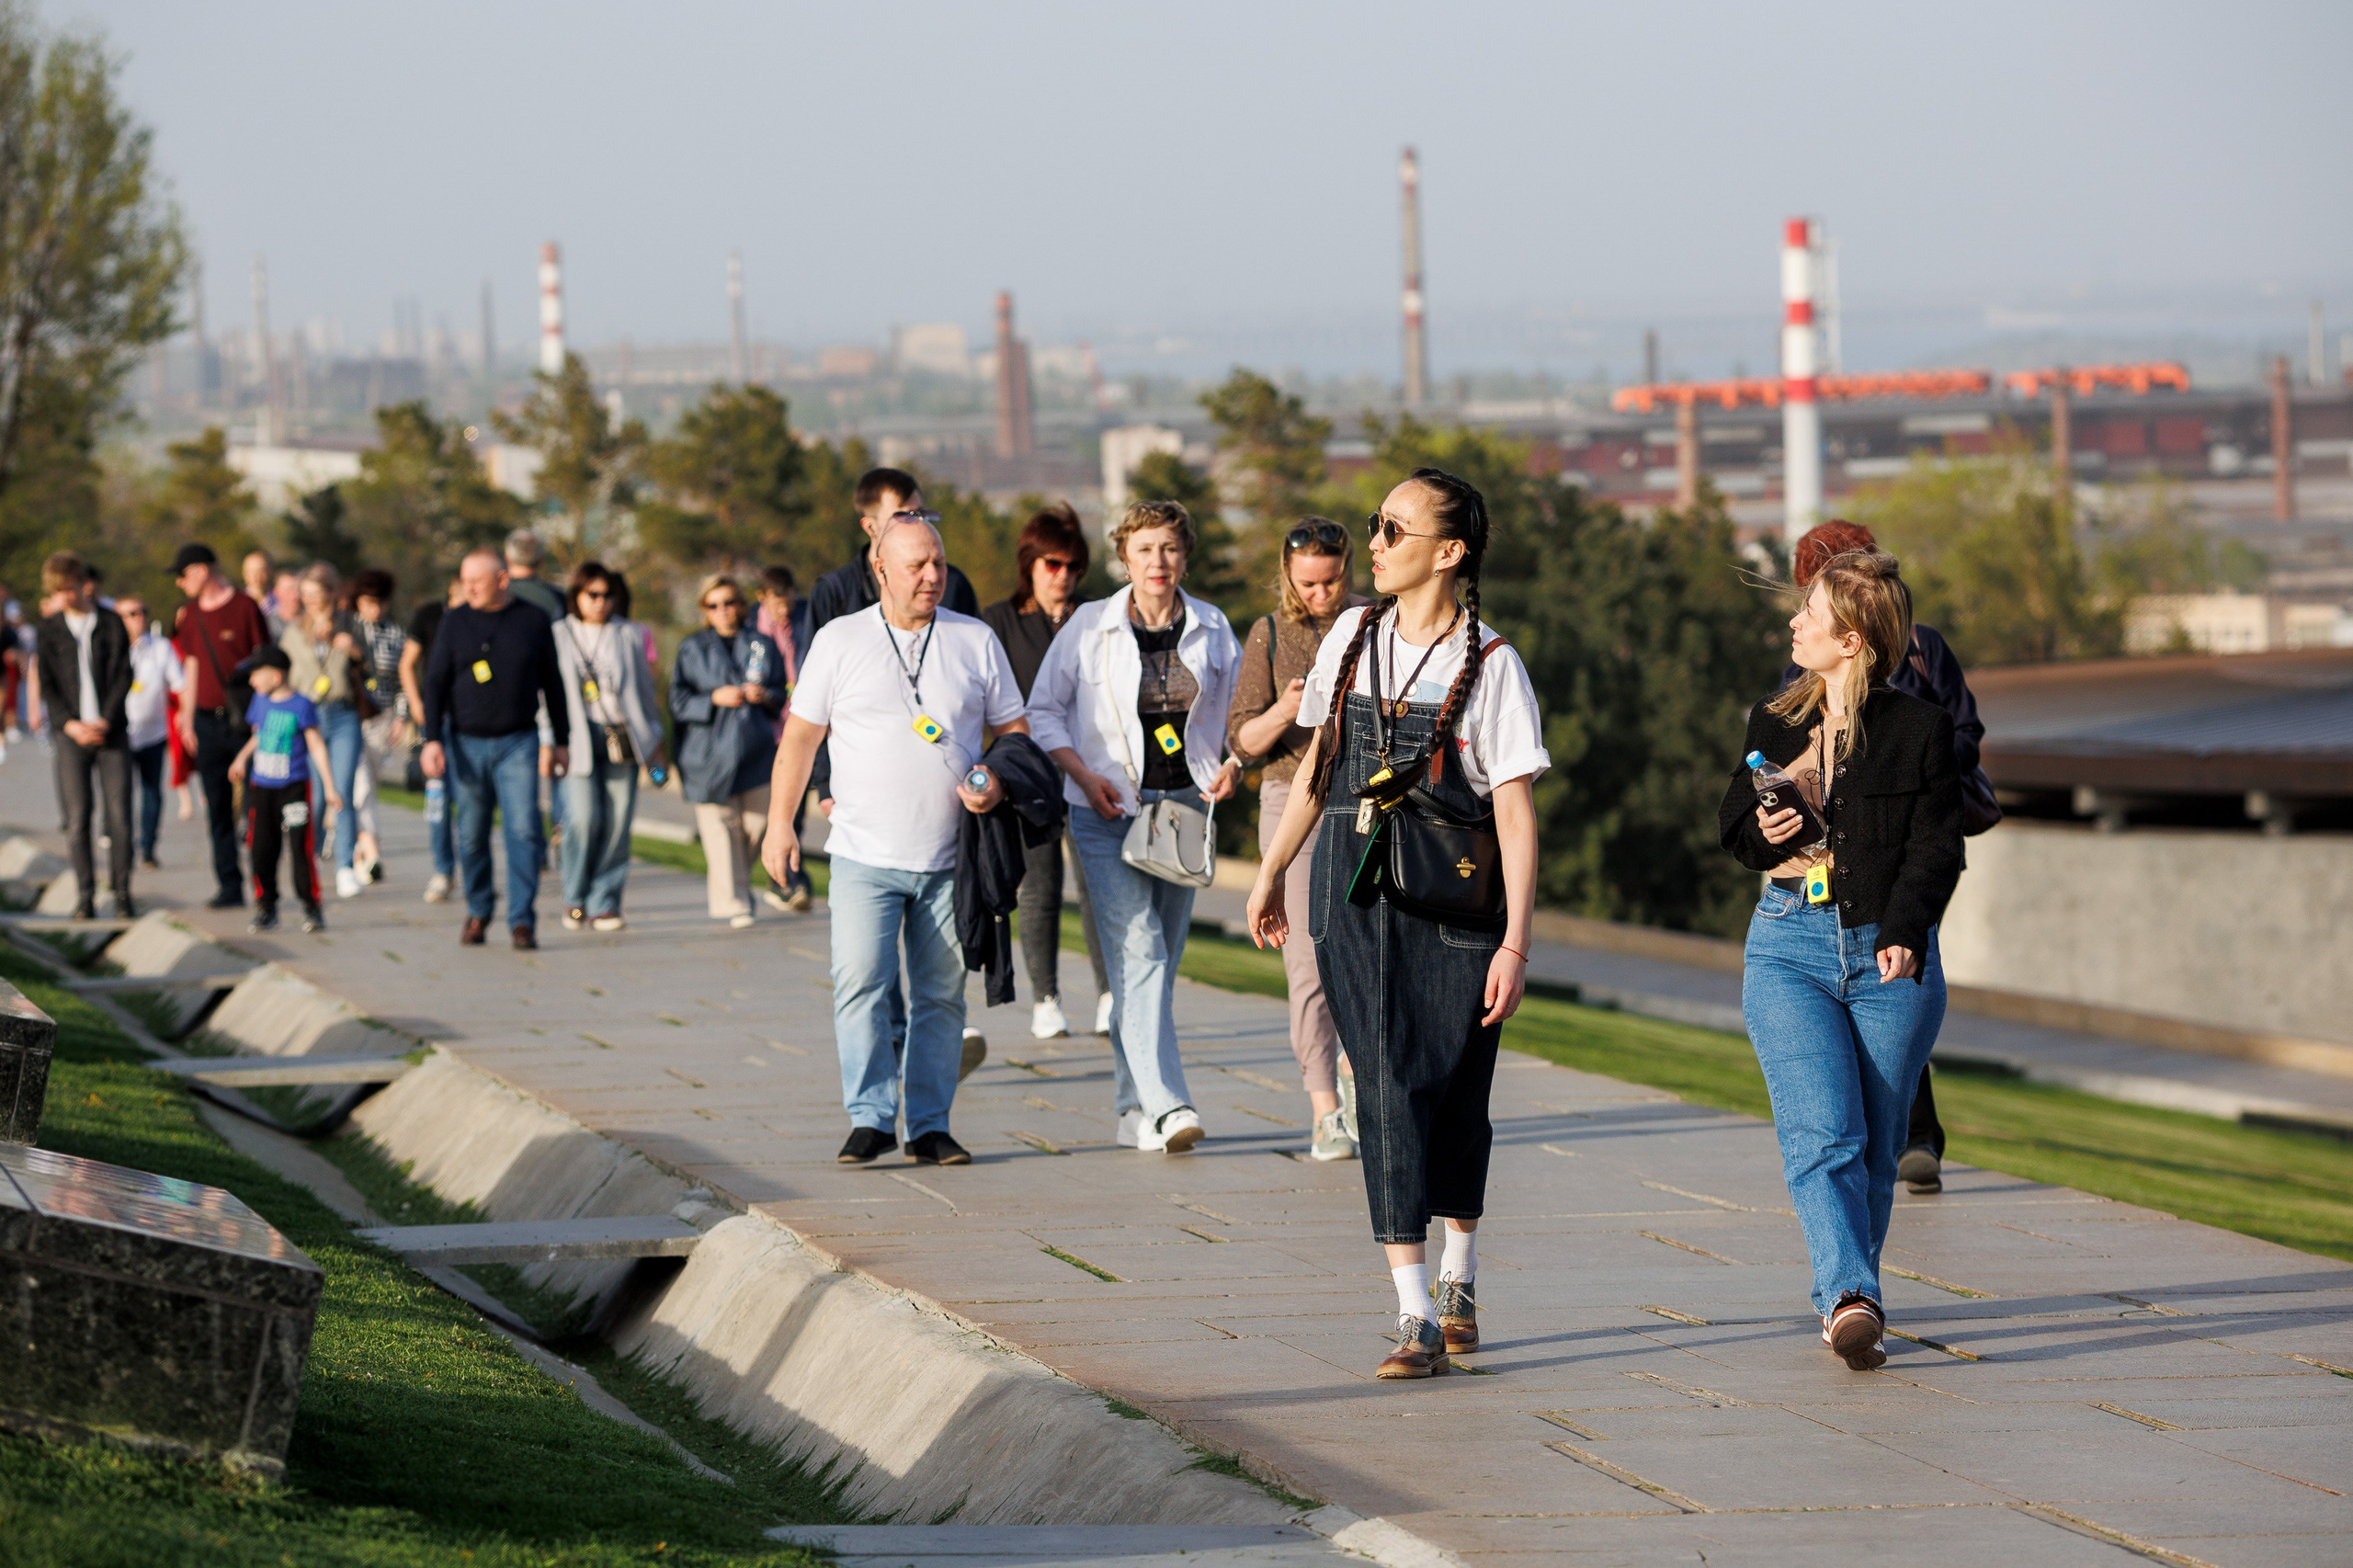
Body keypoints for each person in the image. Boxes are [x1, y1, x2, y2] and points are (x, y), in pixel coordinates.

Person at [1246, 470, 1547, 1381]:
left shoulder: (1492, 664)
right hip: (1350, 896)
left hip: (1457, 908)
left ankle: (1458, 1272)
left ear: (1449, 551)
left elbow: (1515, 813)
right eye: (1374, 524)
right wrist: (1271, 870)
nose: (1372, 543)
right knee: (1380, 1085)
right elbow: (1318, 766)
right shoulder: (1351, 635)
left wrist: (1515, 942)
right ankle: (1413, 1312)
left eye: (1392, 529)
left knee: (1454, 1093)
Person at [1720, 548, 1963, 1373]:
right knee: (1823, 1135)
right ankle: (1851, 1298)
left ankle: (1852, 1297)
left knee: (1874, 1150)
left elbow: (1937, 847)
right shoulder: (1774, 720)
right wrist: (1768, 831)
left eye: (1810, 614)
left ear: (1853, 639)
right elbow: (1733, 830)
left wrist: (1905, 928)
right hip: (1788, 945)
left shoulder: (1920, 731)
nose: (1794, 623)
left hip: (1890, 956)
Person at [765, 513, 1025, 1167]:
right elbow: (800, 738)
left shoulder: (974, 639)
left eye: (939, 563)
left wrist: (995, 779)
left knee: (941, 996)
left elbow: (1014, 731)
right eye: (917, 565)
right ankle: (871, 1118)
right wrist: (779, 824)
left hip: (950, 858)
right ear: (880, 568)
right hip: (863, 854)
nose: (933, 576)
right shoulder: (839, 639)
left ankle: (931, 1126)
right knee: (860, 985)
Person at [1779, 519, 1986, 1197]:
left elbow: (1964, 731)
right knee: (1877, 974)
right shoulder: (1804, 667)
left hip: (1917, 843)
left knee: (1897, 966)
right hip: (1837, 856)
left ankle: (1910, 1136)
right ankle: (1895, 1134)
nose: (1799, 613)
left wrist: (1912, 759)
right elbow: (1790, 751)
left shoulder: (1923, 651)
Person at [1029, 499, 1242, 1155]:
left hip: (1183, 808)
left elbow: (1237, 714)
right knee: (1140, 949)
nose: (1158, 561)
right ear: (1124, 557)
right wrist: (1082, 775)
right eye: (1145, 549)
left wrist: (1231, 764)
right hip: (1105, 808)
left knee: (1155, 966)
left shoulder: (1211, 626)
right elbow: (1043, 711)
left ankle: (1131, 1109)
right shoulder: (1090, 626)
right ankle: (1169, 1104)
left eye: (1170, 548)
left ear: (1185, 556)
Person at [1229, 517, 1370, 1162]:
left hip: (1364, 797)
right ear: (1287, 575)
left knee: (1366, 950)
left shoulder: (1373, 620)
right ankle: (1324, 1112)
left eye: (1331, 580)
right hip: (1291, 797)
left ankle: (1358, 1068)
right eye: (1308, 583)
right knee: (1308, 961)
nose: (1320, 594)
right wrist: (1288, 709)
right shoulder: (1268, 632)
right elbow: (1243, 741)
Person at [980, 503, 1114, 1042]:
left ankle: (1108, 995)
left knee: (1097, 887)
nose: (1063, 576)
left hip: (1087, 771)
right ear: (1030, 564)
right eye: (1052, 564)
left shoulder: (1096, 619)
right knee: (1039, 889)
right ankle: (1046, 998)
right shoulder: (1000, 622)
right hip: (1028, 776)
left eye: (1072, 566)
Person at [805, 469, 982, 814]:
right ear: (870, 527)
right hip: (860, 786)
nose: (917, 523)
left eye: (921, 514)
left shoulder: (953, 585)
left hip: (949, 785)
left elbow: (982, 686)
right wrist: (825, 783)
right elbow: (812, 701)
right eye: (904, 515)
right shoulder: (834, 592)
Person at [418, 546, 569, 949]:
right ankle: (479, 909)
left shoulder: (532, 620)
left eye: (477, 582)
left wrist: (562, 741)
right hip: (466, 742)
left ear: (502, 580)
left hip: (518, 741)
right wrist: (432, 740)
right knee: (471, 834)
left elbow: (553, 683)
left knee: (524, 830)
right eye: (464, 581)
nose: (468, 588)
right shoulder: (455, 622)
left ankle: (522, 920)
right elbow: (435, 682)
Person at [555, 561, 665, 932]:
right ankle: (574, 896)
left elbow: (645, 691)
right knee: (582, 819)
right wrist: (548, 741)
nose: (601, 602)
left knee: (618, 822)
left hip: (623, 735)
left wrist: (656, 739)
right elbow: (546, 695)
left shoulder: (629, 633)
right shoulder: (558, 634)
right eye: (593, 595)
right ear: (577, 595)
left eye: (608, 595)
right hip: (577, 737)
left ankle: (605, 902)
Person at [671, 575, 787, 928]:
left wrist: (764, 696)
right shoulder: (693, 648)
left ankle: (737, 886)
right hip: (708, 755)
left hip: (756, 753)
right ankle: (735, 903)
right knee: (721, 832)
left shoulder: (762, 644)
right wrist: (713, 699)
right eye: (714, 605)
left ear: (741, 605)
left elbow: (781, 691)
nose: (722, 611)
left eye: (729, 602)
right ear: (705, 610)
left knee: (756, 825)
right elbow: (678, 702)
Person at [170, 542, 273, 909]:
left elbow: (264, 661)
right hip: (205, 721)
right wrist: (186, 719)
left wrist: (264, 716)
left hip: (245, 721)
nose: (180, 583)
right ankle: (229, 886)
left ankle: (264, 886)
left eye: (182, 576)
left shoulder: (245, 607)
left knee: (257, 808)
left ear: (201, 571)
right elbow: (192, 665)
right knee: (217, 807)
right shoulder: (190, 614)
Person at [34, 552, 134, 919]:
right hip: (71, 736)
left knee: (120, 819)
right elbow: (47, 683)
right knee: (78, 820)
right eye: (57, 592)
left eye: (69, 588)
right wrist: (69, 724)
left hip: (111, 732)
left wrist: (106, 719)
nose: (65, 597)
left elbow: (124, 674)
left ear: (82, 583)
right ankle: (85, 897)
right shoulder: (49, 629)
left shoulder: (110, 623)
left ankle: (122, 895)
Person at [227, 644, 337, 934]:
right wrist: (241, 758)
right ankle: (266, 907)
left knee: (301, 849)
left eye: (256, 674)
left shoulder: (302, 705)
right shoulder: (259, 702)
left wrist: (329, 786)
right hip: (262, 788)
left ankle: (311, 907)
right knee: (261, 849)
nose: (252, 681)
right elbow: (258, 735)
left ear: (276, 676)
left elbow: (316, 745)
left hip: (294, 788)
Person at [281, 563, 369, 899]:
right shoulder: (293, 631)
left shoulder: (350, 625)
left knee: (341, 791)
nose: (311, 601)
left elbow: (372, 666)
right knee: (316, 796)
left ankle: (345, 865)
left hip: (343, 714)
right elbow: (285, 676)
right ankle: (311, 858)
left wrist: (352, 649)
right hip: (309, 718)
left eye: (317, 594)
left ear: (332, 593)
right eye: (305, 595)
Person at [754, 563, 813, 913]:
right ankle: (784, 878)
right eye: (777, 600)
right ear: (762, 597)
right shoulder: (751, 626)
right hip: (765, 726)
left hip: (800, 725)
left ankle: (788, 879)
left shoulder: (806, 617)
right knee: (772, 810)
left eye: (788, 598)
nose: (784, 607)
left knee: (795, 809)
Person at [400, 574, 463, 903]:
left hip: (471, 722)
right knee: (438, 795)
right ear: (454, 586)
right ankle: (443, 869)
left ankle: (472, 869)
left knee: (469, 798)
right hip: (436, 720)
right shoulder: (429, 615)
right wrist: (415, 703)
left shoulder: (482, 619)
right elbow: (407, 663)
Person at [116, 593, 185, 870]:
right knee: (119, 793)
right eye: (131, 614)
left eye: (142, 612)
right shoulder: (111, 647)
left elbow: (179, 684)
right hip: (120, 733)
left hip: (153, 733)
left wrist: (185, 716)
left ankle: (148, 847)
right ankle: (121, 846)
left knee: (151, 791)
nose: (139, 618)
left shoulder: (160, 647)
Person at [347, 569, 406, 885]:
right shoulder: (345, 629)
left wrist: (401, 717)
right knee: (361, 788)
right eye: (369, 602)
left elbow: (402, 681)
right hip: (348, 718)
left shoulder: (395, 635)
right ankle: (372, 853)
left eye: (380, 602)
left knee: (368, 784)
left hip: (380, 719)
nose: (375, 609)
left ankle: (360, 851)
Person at [242, 551, 283, 637]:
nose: (255, 577)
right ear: (244, 573)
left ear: (271, 571)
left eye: (261, 571)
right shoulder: (237, 604)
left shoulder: (281, 601)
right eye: (250, 571)